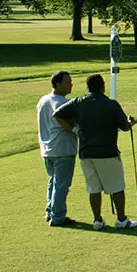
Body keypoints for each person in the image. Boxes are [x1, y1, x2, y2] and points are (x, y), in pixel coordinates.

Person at [53, 74, 137, 231]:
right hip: (107, 152)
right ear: (103, 86)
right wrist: (130, 121)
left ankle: (97, 221)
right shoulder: (111, 104)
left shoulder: (78, 102)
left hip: (86, 152)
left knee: (93, 188)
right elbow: (125, 127)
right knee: (116, 187)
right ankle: (121, 220)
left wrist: (74, 129)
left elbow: (57, 114)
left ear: (87, 87)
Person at [36, 71, 78, 227]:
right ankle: (58, 216)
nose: (71, 84)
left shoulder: (43, 100)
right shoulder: (62, 103)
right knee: (61, 184)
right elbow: (67, 122)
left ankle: (50, 212)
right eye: (68, 82)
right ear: (58, 84)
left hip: (47, 149)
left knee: (53, 182)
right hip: (62, 148)